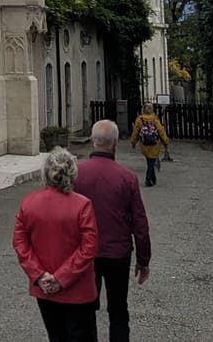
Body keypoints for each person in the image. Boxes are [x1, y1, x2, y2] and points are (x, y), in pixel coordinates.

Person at [74, 120, 152, 342]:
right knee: (118, 310)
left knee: (84, 309)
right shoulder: (127, 178)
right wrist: (143, 259)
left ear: (92, 140)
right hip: (117, 253)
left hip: (85, 254)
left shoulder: (76, 174)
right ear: (115, 142)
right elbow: (140, 223)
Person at [12, 147, 99, 342]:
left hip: (44, 287)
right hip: (77, 289)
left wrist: (39, 274)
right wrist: (61, 277)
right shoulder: (82, 205)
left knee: (56, 336)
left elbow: (20, 242)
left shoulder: (29, 203)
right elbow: (88, 248)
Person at [130, 104, 171, 187]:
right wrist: (166, 141)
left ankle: (153, 178)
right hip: (155, 143)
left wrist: (133, 142)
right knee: (151, 161)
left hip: (144, 143)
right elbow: (161, 131)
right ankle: (148, 178)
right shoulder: (155, 119)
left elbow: (135, 133)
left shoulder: (139, 119)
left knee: (149, 160)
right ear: (152, 110)